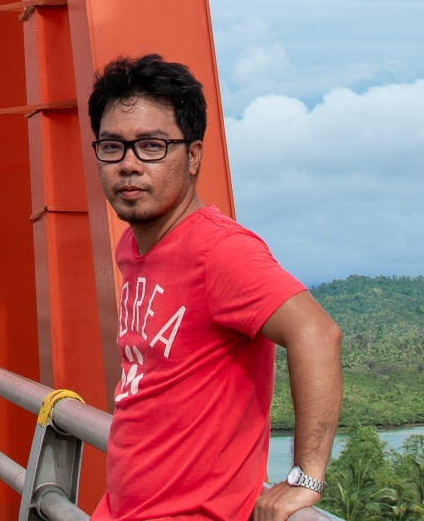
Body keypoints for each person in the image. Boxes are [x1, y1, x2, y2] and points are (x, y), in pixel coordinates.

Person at [89, 53, 342, 521]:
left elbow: (317, 332)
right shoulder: (133, 246)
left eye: (152, 146)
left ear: (194, 156)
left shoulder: (220, 249)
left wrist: (305, 477)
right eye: (112, 147)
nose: (128, 164)